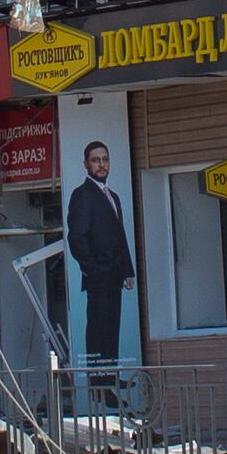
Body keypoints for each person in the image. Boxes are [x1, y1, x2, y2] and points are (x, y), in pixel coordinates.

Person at [60, 138, 135, 411]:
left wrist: (127, 270)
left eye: (104, 159)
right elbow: (76, 237)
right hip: (99, 273)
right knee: (98, 329)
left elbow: (120, 236)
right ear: (86, 164)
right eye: (96, 160)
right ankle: (99, 386)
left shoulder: (112, 196)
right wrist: (93, 266)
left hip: (115, 273)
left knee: (111, 326)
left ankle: (111, 374)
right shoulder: (82, 195)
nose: (101, 165)